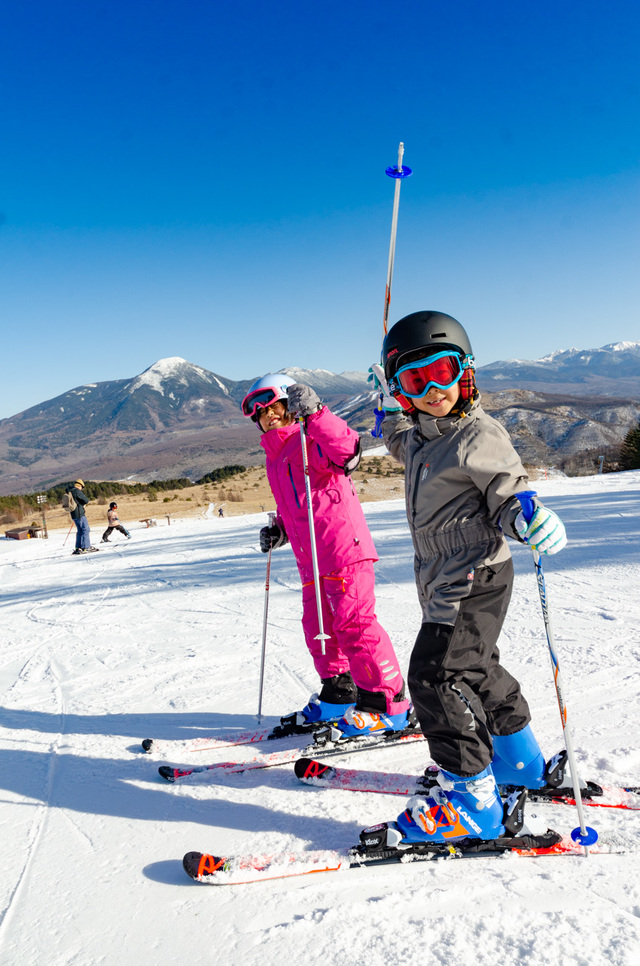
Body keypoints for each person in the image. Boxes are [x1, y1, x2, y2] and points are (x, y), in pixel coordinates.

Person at [370, 310, 568, 845]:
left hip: (473, 576)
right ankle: (521, 763)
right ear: (401, 389)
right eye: (416, 380)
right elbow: (396, 439)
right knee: (475, 666)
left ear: (467, 371)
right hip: (444, 578)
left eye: (444, 371)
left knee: (435, 677)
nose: (435, 389)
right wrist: (382, 412)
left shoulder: (478, 434)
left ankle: (470, 801)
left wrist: (526, 515)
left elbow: (507, 489)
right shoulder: (417, 436)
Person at [241, 373, 413, 739]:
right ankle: (339, 694)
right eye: (258, 411)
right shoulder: (275, 458)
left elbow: (347, 452)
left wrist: (317, 414)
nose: (267, 414)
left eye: (272, 406)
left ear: (288, 406)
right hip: (311, 560)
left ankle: (388, 704)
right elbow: (297, 505)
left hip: (342, 550)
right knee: (318, 628)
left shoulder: (310, 439)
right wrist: (281, 531)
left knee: (355, 626)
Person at [67, 479, 97, 554]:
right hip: (79, 513)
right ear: (79, 485)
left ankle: (78, 547)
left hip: (73, 514)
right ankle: (86, 547)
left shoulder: (70, 491)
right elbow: (86, 500)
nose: (81, 489)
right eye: (82, 488)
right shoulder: (76, 491)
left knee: (80, 531)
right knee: (85, 529)